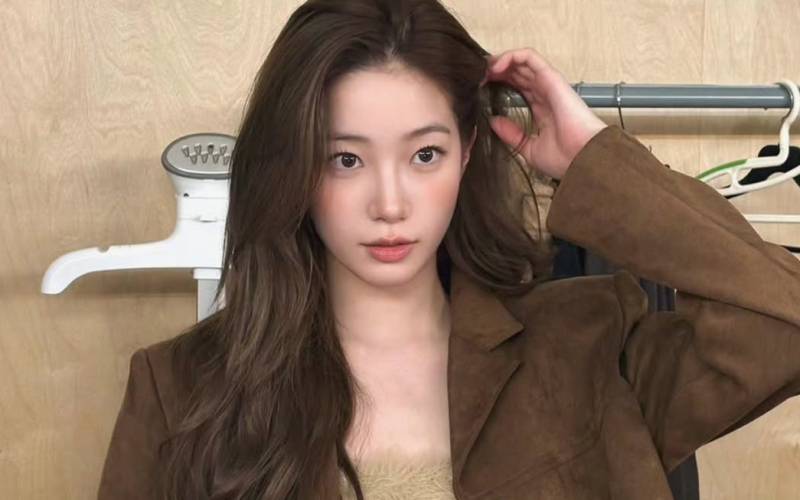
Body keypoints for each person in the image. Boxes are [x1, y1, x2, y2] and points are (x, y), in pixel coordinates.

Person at [97, 1, 800, 499]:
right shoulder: (182, 389)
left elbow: (784, 325)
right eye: (346, 160)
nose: (390, 203)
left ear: (467, 150)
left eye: (424, 154)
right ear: (295, 168)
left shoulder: (587, 345)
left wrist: (592, 159)